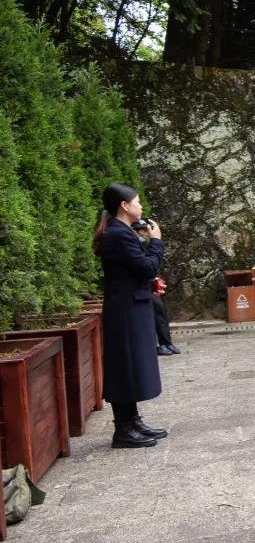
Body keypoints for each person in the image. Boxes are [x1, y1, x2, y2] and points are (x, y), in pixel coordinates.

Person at [92, 183, 170, 449]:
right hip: (125, 310)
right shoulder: (118, 234)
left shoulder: (122, 232)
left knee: (131, 364)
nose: (140, 205)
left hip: (130, 305)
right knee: (124, 366)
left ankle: (133, 421)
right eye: (137, 201)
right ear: (124, 206)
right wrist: (156, 242)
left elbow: (132, 271)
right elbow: (146, 267)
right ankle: (123, 430)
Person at [133, 220, 180, 356]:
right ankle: (154, 346)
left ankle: (166, 342)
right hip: (139, 286)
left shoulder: (145, 244)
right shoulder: (133, 244)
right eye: (142, 230)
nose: (145, 233)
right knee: (147, 317)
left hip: (148, 283)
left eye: (145, 230)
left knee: (160, 311)